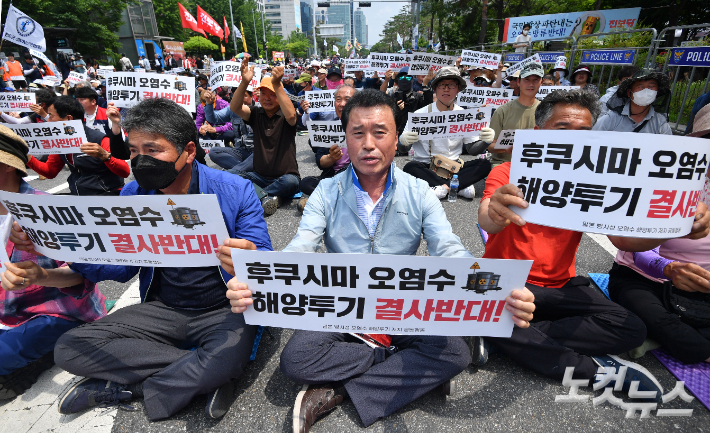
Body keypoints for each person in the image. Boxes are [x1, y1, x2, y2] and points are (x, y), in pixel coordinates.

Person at [218, 89, 535, 432]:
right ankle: (401, 369)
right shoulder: (326, 191)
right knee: (296, 361)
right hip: (343, 307)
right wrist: (260, 272)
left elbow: (450, 249)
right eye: (358, 133)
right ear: (346, 139)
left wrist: (494, 287)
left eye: (380, 132)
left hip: (402, 308)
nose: (369, 143)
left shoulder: (419, 192)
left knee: (455, 354)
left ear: (396, 137)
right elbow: (301, 248)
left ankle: (338, 391)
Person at [10, 98, 276, 420]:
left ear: (189, 151)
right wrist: (50, 248)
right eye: (134, 151)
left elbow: (264, 264)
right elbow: (117, 267)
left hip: (222, 310)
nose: (140, 160)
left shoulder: (236, 190)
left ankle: (134, 386)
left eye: (153, 150)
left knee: (225, 354)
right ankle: (205, 373)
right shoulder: (133, 195)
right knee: (70, 347)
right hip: (163, 309)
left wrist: (249, 260)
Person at [478, 88, 710, 395]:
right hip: (507, 281)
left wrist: (673, 226)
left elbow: (622, 240)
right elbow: (486, 217)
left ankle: (499, 333)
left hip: (561, 287)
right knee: (485, 299)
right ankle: (590, 370)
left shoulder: (596, 184)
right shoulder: (507, 173)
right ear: (538, 133)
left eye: (584, 131)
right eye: (563, 128)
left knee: (631, 328)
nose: (574, 138)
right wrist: (495, 212)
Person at [0, 125, 106, 400]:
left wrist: (39, 275)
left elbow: (81, 274)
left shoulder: (47, 211)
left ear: (7, 165)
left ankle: (40, 356)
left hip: (53, 312)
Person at [607, 104, 710, 365]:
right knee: (691, 345)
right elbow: (629, 244)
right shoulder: (665, 179)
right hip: (646, 279)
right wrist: (670, 267)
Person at [400, 66, 491, 199]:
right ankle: (458, 186)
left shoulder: (464, 115)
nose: (446, 89)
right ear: (435, 88)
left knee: (485, 164)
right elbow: (402, 149)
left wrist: (486, 141)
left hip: (454, 167)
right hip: (426, 166)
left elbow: (472, 150)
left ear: (458, 89)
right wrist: (404, 141)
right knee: (410, 167)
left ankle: (442, 188)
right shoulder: (420, 115)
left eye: (452, 85)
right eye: (442, 85)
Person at [229, 58, 300, 215]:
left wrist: (277, 84)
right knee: (231, 175)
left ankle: (255, 196)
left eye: (272, 94)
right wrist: (244, 82)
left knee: (291, 182)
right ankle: (267, 197)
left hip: (285, 177)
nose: (267, 98)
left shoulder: (285, 114)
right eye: (263, 93)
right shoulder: (256, 113)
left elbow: (292, 116)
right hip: (258, 176)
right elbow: (234, 108)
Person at [26, 96, 129, 195]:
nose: (48, 121)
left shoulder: (100, 139)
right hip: (78, 195)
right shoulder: (61, 141)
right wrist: (27, 157)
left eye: (51, 116)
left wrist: (105, 156)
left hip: (106, 194)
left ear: (69, 119)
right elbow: (50, 171)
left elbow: (125, 171)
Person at [297, 84, 356, 212]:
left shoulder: (364, 127)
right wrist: (331, 157)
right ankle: (336, 201)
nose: (341, 104)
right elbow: (320, 162)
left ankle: (321, 202)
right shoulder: (329, 128)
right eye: (338, 99)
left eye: (347, 99)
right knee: (305, 183)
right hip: (332, 177)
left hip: (355, 177)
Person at [481, 62, 544, 168]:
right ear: (519, 82)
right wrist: (506, 147)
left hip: (536, 165)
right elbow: (490, 146)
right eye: (527, 79)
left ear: (541, 82)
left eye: (535, 80)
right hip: (503, 164)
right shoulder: (502, 111)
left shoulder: (546, 110)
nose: (531, 84)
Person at [593, 68, 672, 135]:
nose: (646, 90)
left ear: (657, 92)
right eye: (640, 86)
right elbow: (592, 138)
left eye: (651, 86)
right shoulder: (611, 119)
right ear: (629, 92)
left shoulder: (661, 124)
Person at [203, 88, 255, 172]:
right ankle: (245, 172)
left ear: (252, 96)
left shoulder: (261, 109)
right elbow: (212, 118)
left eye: (244, 96)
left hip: (256, 154)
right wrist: (209, 103)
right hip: (240, 151)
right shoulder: (232, 109)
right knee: (214, 152)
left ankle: (236, 172)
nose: (240, 100)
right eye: (237, 96)